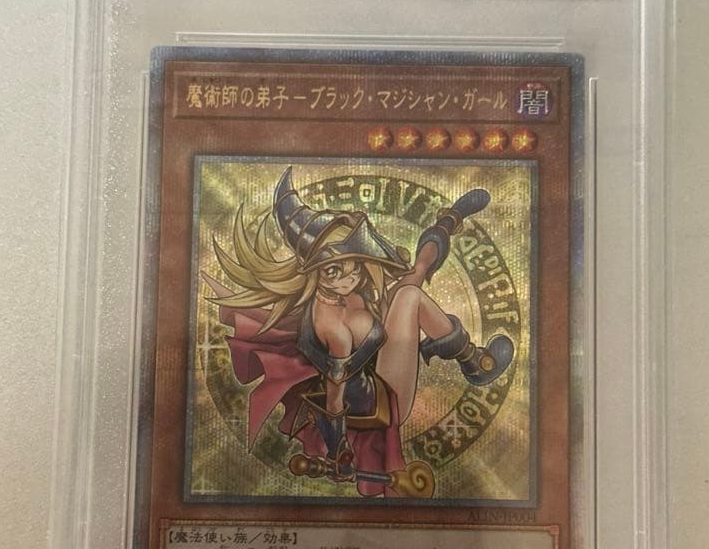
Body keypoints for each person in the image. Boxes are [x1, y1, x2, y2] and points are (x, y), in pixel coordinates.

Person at [203, 167, 514, 498]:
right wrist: (339, 450)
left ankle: (448, 220)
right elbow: (335, 396)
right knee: (410, 295)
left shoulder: (344, 291)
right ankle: (476, 362)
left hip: (378, 365)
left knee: (414, 274)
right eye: (334, 271)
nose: (349, 278)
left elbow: (378, 288)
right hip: (383, 402)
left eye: (353, 266)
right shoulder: (333, 328)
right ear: (315, 270)